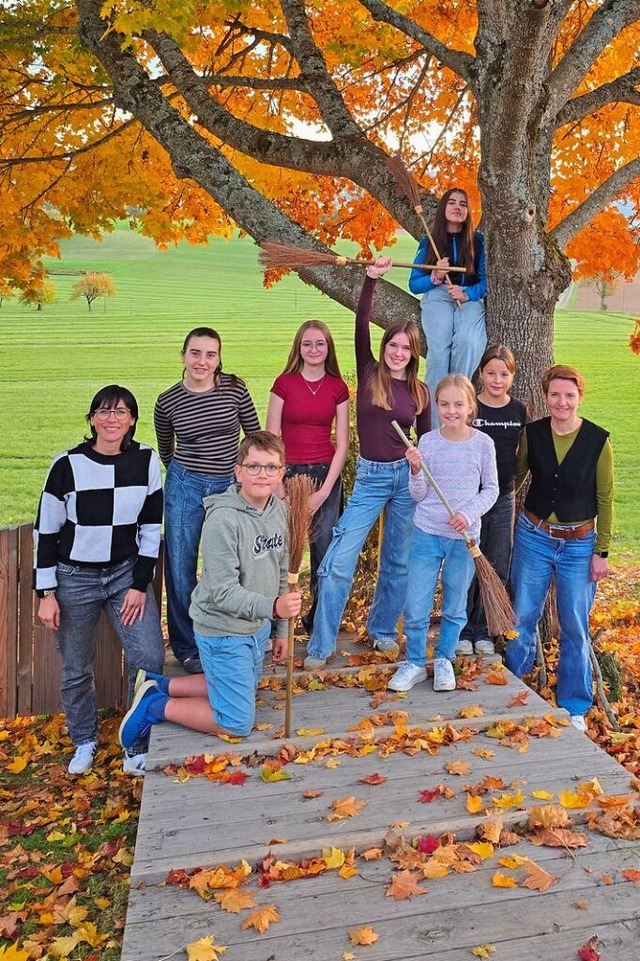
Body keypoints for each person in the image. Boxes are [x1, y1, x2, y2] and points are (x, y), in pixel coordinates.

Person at [119, 432, 302, 746]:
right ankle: (155, 706)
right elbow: (221, 592)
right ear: (238, 471)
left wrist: (281, 630)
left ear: (282, 472)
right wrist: (274, 608)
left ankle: (157, 685)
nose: (262, 474)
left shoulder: (279, 512)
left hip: (255, 627)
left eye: (271, 467)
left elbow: (285, 574)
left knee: (241, 688)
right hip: (223, 629)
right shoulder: (223, 520)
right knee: (236, 721)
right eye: (254, 466)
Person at [303, 257, 431, 671]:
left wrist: (418, 461)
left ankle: (381, 631)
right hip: (372, 478)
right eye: (392, 345)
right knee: (339, 561)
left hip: (406, 481)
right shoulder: (369, 371)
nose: (397, 352)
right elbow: (360, 324)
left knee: (397, 562)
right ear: (384, 348)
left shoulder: (421, 391)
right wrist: (370, 282)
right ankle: (321, 646)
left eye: (405, 348)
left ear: (413, 354)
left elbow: (427, 446)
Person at [34, 385, 165, 776]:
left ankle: (136, 742)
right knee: (76, 666)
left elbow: (150, 526)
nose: (112, 419)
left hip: (125, 575)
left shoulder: (146, 461)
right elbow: (46, 532)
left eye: (121, 412)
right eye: (104, 411)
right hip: (75, 579)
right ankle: (85, 740)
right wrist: (46, 592)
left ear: (132, 421)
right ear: (92, 419)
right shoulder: (67, 465)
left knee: (148, 657)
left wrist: (139, 584)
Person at [506, 365, 614, 733]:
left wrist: (602, 552)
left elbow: (606, 498)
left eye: (569, 395)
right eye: (555, 394)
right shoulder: (532, 434)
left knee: (574, 626)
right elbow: (514, 479)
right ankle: (512, 690)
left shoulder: (598, 440)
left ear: (579, 397)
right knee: (522, 616)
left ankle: (574, 704)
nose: (562, 402)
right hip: (534, 536)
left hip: (579, 546)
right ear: (545, 396)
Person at [154, 327, 260, 673]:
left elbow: (254, 437)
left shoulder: (234, 389)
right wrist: (188, 474)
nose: (202, 361)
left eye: (210, 354)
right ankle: (187, 647)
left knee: (234, 565)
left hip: (229, 487)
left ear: (218, 359)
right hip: (185, 485)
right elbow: (166, 450)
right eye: (195, 353)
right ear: (183, 355)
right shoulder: (167, 401)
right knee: (181, 568)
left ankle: (234, 636)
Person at [388, 374, 499, 694]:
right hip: (427, 532)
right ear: (436, 407)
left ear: (470, 407)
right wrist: (414, 470)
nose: (451, 410)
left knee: (454, 603)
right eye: (444, 404)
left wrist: (468, 513)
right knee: (417, 600)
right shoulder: (428, 442)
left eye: (458, 404)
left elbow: (491, 489)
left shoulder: (482, 444)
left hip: (463, 538)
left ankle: (445, 658)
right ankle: (413, 662)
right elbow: (419, 494)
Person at [266, 320, 349, 634]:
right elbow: (271, 438)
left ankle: (319, 624)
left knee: (324, 550)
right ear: (298, 348)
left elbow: (341, 444)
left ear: (328, 349)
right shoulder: (284, 383)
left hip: (324, 475)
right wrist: (279, 490)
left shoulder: (337, 387)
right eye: (307, 344)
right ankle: (276, 626)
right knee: (281, 551)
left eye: (320, 344)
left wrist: (324, 492)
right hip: (286, 476)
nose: (314, 350)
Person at [457, 346, 527, 656]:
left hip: (502, 500)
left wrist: (509, 487)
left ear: (512, 376)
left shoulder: (519, 411)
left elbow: (523, 458)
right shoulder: (472, 410)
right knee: (468, 563)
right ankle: (462, 629)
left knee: (496, 564)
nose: (497, 380)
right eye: (491, 373)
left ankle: (483, 630)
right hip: (471, 500)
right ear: (481, 374)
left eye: (504, 374)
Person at [409, 188, 487, 428]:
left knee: (468, 342)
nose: (457, 207)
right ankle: (432, 425)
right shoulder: (430, 241)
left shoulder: (478, 241)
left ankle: (459, 411)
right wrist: (435, 276)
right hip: (438, 296)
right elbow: (414, 283)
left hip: (469, 299)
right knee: (440, 352)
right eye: (452, 202)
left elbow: (484, 281)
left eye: (463, 204)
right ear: (443, 208)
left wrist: (467, 294)